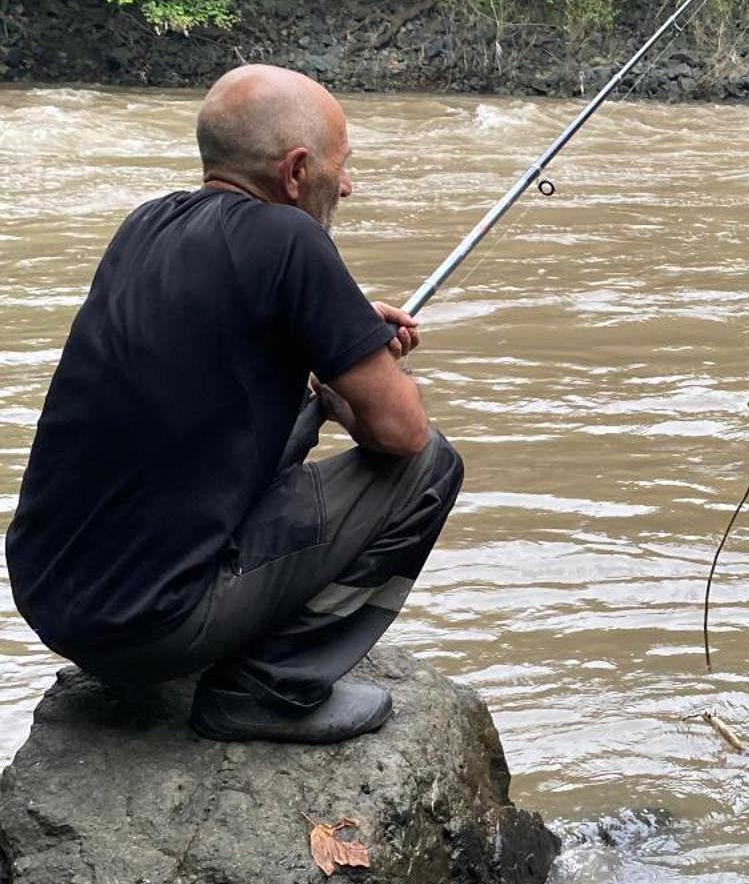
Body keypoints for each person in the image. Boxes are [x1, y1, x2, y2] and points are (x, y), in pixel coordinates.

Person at [5, 63, 464, 745]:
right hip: (151, 628)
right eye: (341, 166)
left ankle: (207, 636)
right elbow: (400, 431)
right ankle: (265, 687)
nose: (347, 183)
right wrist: (344, 394)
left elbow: (207, 343)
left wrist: (338, 332)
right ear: (296, 170)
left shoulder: (146, 225)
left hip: (55, 604)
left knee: (294, 407)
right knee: (431, 466)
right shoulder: (293, 241)